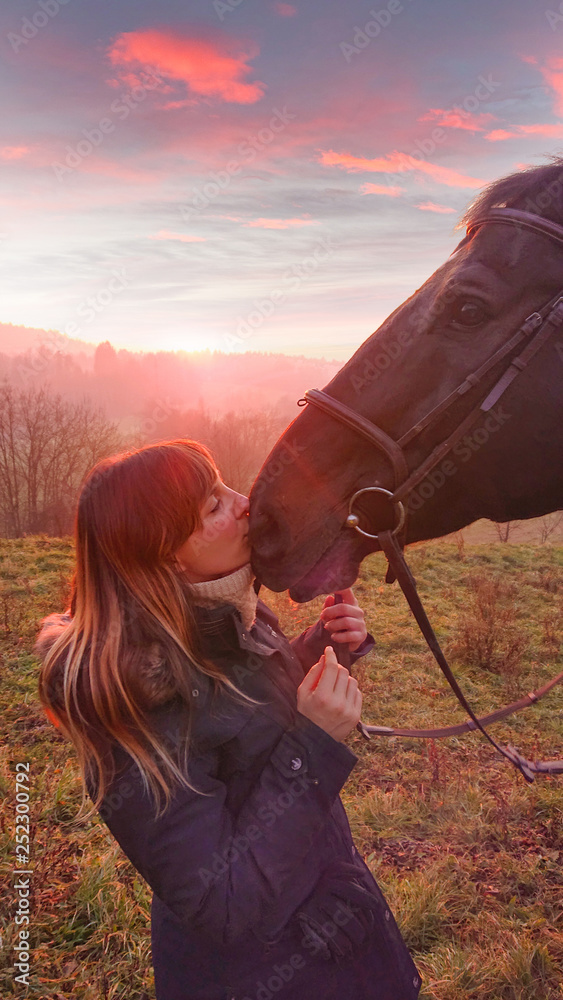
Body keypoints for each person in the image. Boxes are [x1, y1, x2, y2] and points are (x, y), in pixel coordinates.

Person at [36, 439, 421, 1000]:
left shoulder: (221, 612)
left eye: (224, 487)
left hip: (329, 931)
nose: (244, 504)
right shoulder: (135, 712)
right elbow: (222, 903)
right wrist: (311, 745)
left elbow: (241, 709)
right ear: (165, 555)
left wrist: (318, 646)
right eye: (213, 506)